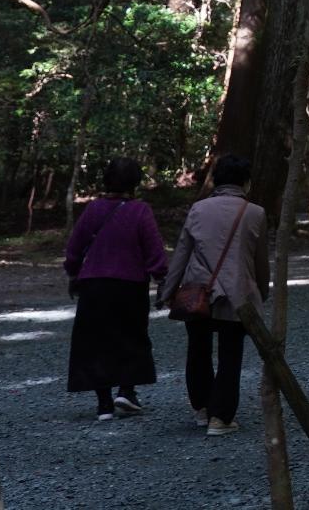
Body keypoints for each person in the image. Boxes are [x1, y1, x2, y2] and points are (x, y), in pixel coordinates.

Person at [158, 154, 269, 435]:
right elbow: (260, 261)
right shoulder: (255, 213)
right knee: (231, 355)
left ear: (216, 180)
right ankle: (221, 418)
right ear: (246, 182)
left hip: (198, 293)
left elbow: (182, 253)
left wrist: (168, 292)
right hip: (238, 295)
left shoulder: (198, 209)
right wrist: (262, 292)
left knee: (198, 351)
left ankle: (202, 408)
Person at [64, 157, 168, 422]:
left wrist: (73, 272)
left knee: (96, 341)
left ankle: (104, 405)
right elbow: (153, 249)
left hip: (94, 285)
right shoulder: (141, 211)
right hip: (130, 285)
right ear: (135, 182)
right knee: (131, 336)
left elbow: (75, 246)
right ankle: (126, 390)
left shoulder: (93, 209)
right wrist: (161, 277)